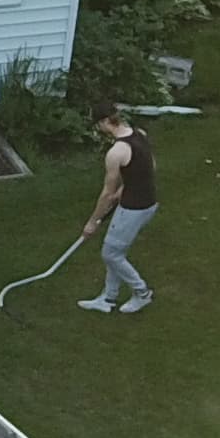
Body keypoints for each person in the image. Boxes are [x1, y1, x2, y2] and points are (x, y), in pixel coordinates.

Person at [75, 106, 159, 315]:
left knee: (111, 254)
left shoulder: (116, 152)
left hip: (133, 208)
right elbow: (151, 166)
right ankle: (108, 298)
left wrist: (92, 222)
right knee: (116, 251)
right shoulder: (140, 134)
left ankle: (142, 293)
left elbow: (106, 193)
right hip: (149, 203)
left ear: (105, 122)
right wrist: (124, 187)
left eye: (99, 125)